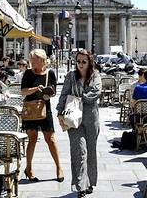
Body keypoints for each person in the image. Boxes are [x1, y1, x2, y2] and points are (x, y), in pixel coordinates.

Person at [57, 49, 102, 197]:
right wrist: (59, 112)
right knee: (78, 151)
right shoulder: (71, 76)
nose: (80, 65)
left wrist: (79, 97)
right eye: (78, 61)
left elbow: (96, 92)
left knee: (90, 151)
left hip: (91, 118)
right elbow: (63, 94)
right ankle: (80, 185)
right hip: (73, 118)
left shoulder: (95, 75)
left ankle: (90, 182)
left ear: (89, 62)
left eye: (84, 62)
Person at [20, 49, 63, 182]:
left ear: (42, 60)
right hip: (30, 109)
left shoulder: (50, 73)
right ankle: (29, 168)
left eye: (34, 59)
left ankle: (59, 167)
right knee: (32, 139)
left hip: (45, 108)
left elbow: (53, 91)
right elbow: (23, 92)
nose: (32, 62)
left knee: (50, 139)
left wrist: (47, 93)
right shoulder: (28, 73)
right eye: (31, 59)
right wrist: (35, 89)